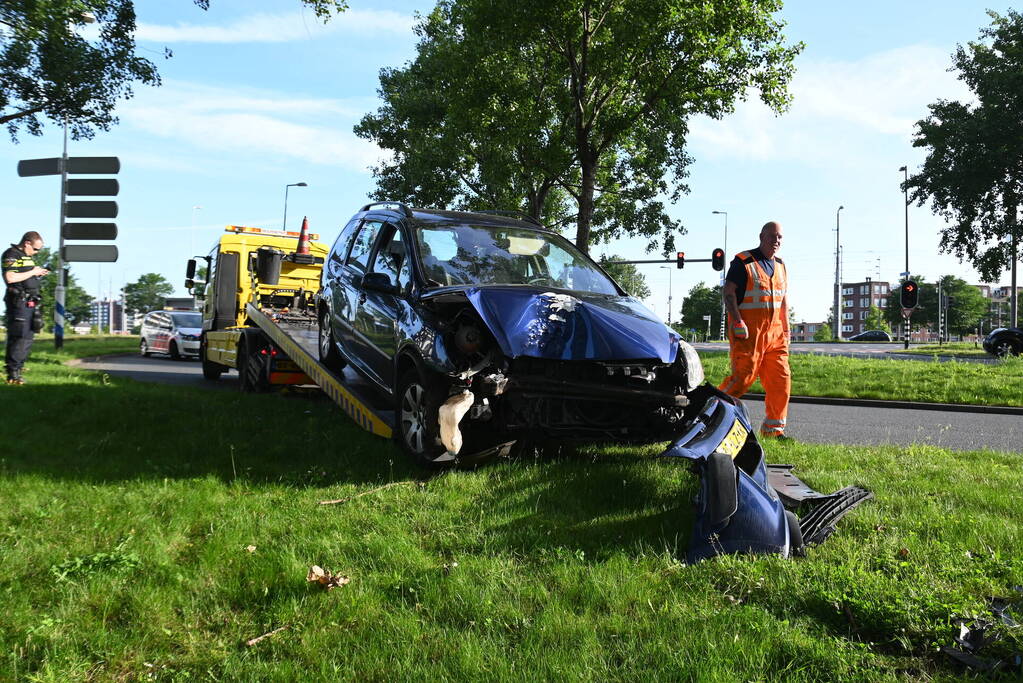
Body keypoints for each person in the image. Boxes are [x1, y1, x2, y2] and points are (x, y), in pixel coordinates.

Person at [718, 221, 791, 438]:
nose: (776, 241)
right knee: (742, 379)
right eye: (772, 236)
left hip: (775, 336)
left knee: (781, 380)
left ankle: (774, 431)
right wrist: (737, 322)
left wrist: (786, 332)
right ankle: (709, 414)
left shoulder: (780, 265)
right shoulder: (744, 262)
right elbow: (729, 292)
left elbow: (783, 301)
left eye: (779, 237)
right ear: (761, 236)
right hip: (748, 334)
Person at [3, 231, 49, 385]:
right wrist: (33, 272)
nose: (37, 252)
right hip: (18, 301)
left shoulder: (27, 257)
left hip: (30, 302)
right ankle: (13, 373)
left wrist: (37, 275)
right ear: (27, 243)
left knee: (28, 336)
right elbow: (10, 277)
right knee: (19, 336)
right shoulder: (11, 255)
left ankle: (19, 367)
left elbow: (25, 276)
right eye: (36, 249)